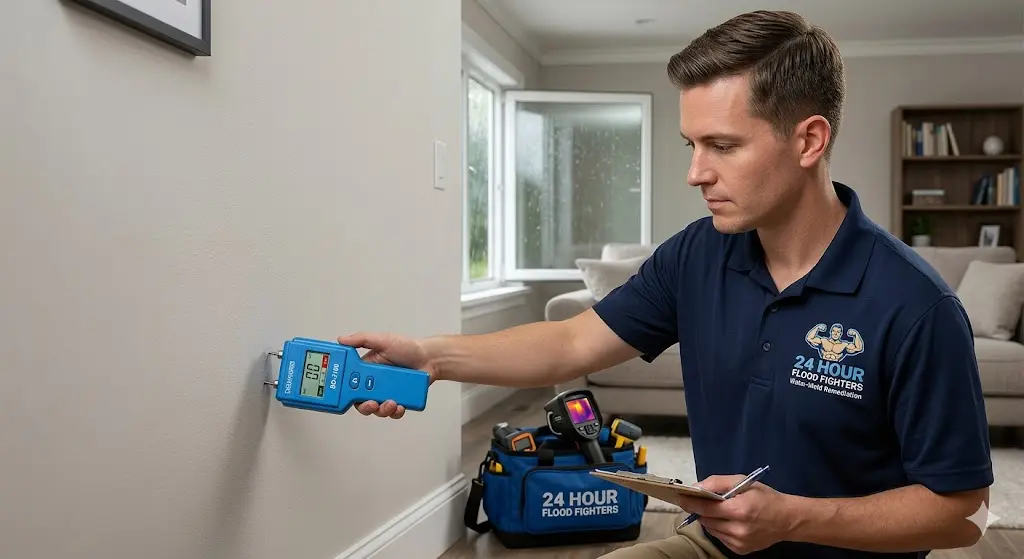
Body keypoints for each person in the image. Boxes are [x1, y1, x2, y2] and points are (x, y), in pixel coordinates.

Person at [339, 9, 994, 559]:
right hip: (718, 545)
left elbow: (962, 513)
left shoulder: (916, 305)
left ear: (809, 140)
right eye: (691, 145)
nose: (696, 173)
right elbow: (570, 344)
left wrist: (791, 517)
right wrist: (431, 357)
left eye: (723, 145)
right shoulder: (697, 256)